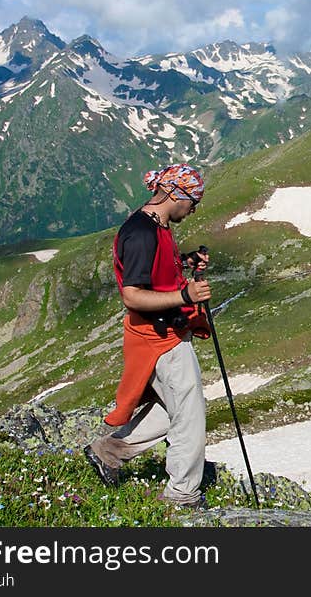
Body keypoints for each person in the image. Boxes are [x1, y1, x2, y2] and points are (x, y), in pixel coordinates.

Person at [83, 163, 212, 508]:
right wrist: (186, 296)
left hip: (162, 332)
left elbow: (157, 271)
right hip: (160, 337)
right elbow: (133, 294)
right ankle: (182, 496)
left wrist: (185, 261)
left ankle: (110, 450)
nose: (194, 208)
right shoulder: (142, 233)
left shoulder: (156, 225)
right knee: (189, 415)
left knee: (180, 408)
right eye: (193, 201)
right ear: (175, 194)